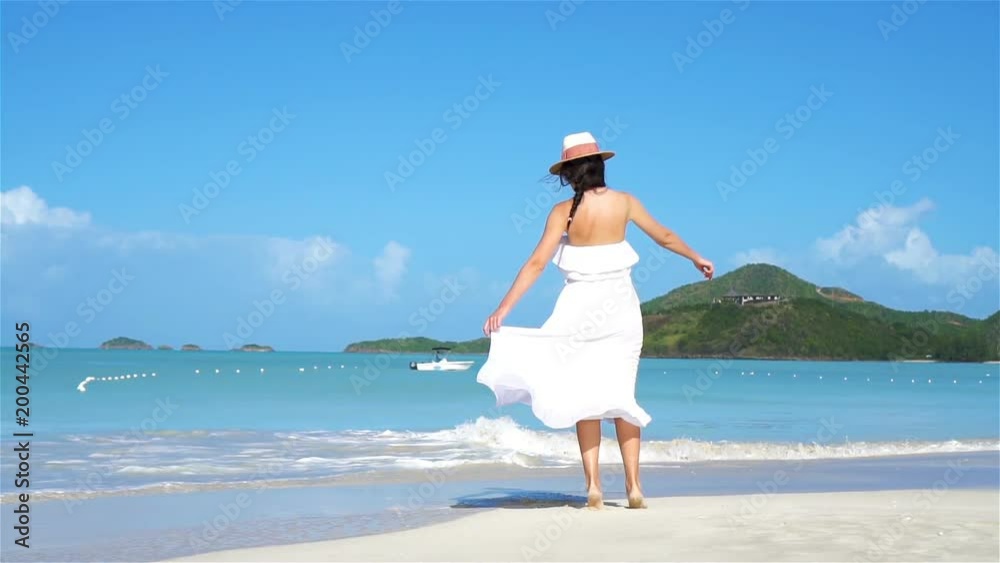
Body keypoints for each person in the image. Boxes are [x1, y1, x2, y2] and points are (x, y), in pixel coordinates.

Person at [476, 131, 714, 510]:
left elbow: (537, 263)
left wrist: (503, 309)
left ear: (570, 173)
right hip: (620, 310)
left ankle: (594, 489)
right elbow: (664, 237)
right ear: (600, 166)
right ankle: (634, 488)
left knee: (584, 397)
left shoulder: (563, 212)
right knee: (622, 397)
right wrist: (695, 257)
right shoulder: (624, 203)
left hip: (578, 310)